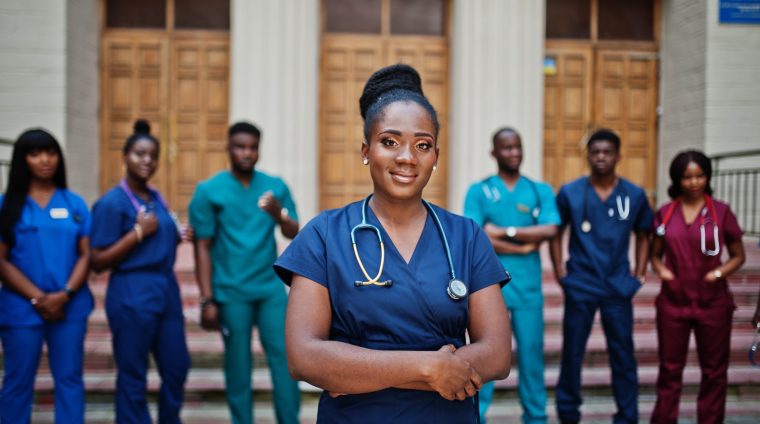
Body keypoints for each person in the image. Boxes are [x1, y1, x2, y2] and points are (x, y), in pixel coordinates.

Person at [273, 63, 512, 423]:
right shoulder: (324, 234)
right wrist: (431, 368)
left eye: (423, 145)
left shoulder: (466, 236)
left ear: (436, 157)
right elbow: (304, 358)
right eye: (390, 141)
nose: (407, 157)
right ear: (366, 150)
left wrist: (353, 371)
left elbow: (496, 356)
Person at [188, 121, 301, 424]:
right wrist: (206, 299)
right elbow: (202, 246)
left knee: (286, 361)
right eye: (240, 147)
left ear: (259, 150)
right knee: (238, 367)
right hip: (230, 291)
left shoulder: (274, 186)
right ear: (228, 148)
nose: (246, 153)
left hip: (269, 290)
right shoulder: (209, 191)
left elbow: (295, 232)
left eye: (252, 147)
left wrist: (279, 214)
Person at [549, 129, 652, 424]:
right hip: (581, 283)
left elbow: (645, 234)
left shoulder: (633, 194)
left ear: (618, 156)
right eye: (595, 152)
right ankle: (568, 414)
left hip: (618, 287)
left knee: (623, 356)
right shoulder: (571, 192)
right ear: (589, 156)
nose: (601, 157)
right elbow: (555, 232)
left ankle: (627, 416)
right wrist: (559, 271)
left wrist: (640, 274)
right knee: (572, 354)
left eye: (607, 152)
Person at [90, 120, 190, 423]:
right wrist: (137, 233)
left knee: (177, 367)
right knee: (133, 374)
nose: (147, 161)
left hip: (166, 290)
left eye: (152, 155)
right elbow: (97, 260)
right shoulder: (111, 203)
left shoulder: (155, 197)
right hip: (132, 290)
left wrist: (179, 232)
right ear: (124, 157)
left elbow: (162, 232)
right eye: (139, 154)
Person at [464, 127, 559, 424]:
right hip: (489, 288)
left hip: (528, 289)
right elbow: (476, 234)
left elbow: (550, 229)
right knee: (487, 357)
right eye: (506, 148)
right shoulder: (479, 191)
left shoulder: (538, 190)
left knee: (532, 357)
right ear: (494, 153)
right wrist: (520, 248)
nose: (514, 153)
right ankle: (476, 416)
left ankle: (536, 417)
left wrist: (504, 232)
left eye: (518, 147)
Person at [0, 129, 93, 423]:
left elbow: (86, 254)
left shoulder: (73, 203)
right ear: (22, 159)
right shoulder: (7, 205)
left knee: (69, 380)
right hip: (21, 310)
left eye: (51, 153)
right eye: (35, 153)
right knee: (18, 383)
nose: (45, 160)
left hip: (69, 308)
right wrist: (39, 298)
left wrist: (64, 294)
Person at [650, 150, 745, 424]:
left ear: (708, 177)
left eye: (700, 176)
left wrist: (719, 272)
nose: (694, 182)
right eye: (687, 177)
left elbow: (739, 255)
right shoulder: (666, 213)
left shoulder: (721, 212)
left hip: (712, 303)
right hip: (673, 303)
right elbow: (655, 254)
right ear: (677, 180)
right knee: (669, 370)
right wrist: (662, 270)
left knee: (714, 371)